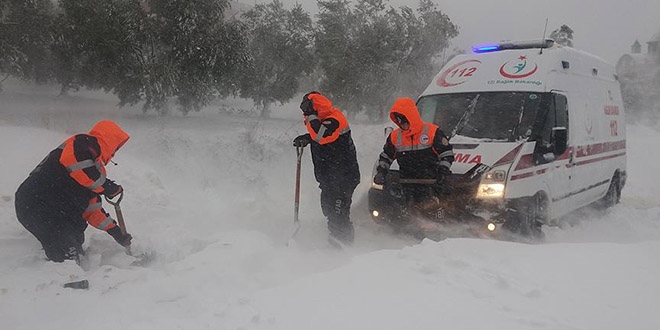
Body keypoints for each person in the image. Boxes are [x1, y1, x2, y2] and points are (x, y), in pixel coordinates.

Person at [14, 120, 133, 263]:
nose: (114, 153)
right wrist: (106, 186)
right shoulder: (82, 143)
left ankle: (67, 261)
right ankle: (66, 278)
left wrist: (115, 232)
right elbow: (75, 164)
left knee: (76, 244)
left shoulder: (94, 170)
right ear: (110, 142)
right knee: (67, 256)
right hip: (36, 203)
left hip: (56, 212)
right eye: (116, 148)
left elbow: (91, 208)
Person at [293, 91, 360, 246]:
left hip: (344, 178)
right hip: (330, 178)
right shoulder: (324, 122)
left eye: (307, 110)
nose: (305, 114)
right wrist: (306, 138)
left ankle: (342, 246)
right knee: (329, 210)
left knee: (338, 213)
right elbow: (321, 135)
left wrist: (310, 116)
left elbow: (321, 136)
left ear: (315, 108)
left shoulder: (335, 119)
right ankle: (338, 241)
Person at [374, 97, 454, 208]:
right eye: (399, 122)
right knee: (407, 216)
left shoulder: (432, 132)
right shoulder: (395, 136)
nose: (402, 125)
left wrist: (443, 171)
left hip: (431, 184)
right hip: (406, 184)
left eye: (404, 121)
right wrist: (381, 172)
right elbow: (386, 157)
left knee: (429, 214)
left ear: (411, 117)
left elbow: (447, 153)